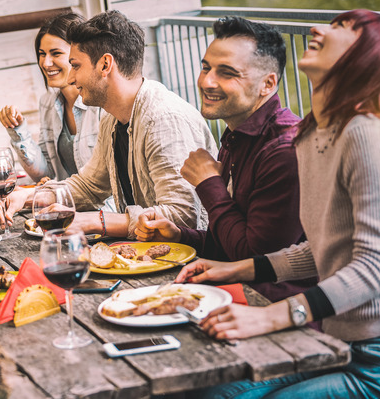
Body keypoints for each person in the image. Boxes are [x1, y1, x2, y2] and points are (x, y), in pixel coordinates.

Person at [179, 9, 380, 398]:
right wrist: (233, 269)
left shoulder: (364, 132)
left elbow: (376, 265)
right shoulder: (312, 134)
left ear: (367, 57)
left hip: (372, 359)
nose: (317, 28)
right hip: (336, 338)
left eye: (344, 28)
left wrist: (271, 317)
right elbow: (323, 249)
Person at [135, 16, 315, 304]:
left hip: (281, 308)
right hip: (242, 292)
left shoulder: (284, 151)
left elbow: (252, 260)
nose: (207, 81)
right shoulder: (237, 135)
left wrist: (209, 184)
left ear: (267, 84)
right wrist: (180, 236)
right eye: (206, 67)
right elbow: (229, 243)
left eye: (227, 73)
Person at [0, 10, 217, 238]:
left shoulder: (164, 119)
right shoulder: (112, 119)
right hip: (148, 252)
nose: (71, 78)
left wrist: (94, 221)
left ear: (105, 65)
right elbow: (88, 186)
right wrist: (28, 196)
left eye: (76, 66)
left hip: (195, 260)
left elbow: (183, 216)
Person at [0, 12, 106, 182]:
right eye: (42, 54)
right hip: (68, 204)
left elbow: (107, 183)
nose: (46, 63)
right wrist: (18, 131)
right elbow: (44, 173)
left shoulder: (102, 105)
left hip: (102, 207)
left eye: (56, 53)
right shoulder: (48, 103)